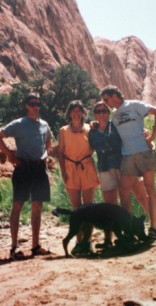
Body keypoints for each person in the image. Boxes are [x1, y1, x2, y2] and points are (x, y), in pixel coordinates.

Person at [100, 86, 156, 239]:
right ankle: (128, 229)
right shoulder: (114, 116)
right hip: (127, 156)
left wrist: (152, 137)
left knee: (150, 188)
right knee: (124, 191)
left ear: (114, 95)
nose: (106, 103)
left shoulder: (134, 105)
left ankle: (153, 228)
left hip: (144, 153)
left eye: (107, 99)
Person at [0, 93, 53, 259]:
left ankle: (35, 245)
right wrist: (9, 155)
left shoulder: (44, 125)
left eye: (38, 103)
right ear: (26, 106)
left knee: (37, 206)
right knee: (18, 204)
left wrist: (46, 154)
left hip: (40, 168)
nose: (36, 106)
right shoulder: (19, 124)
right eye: (32, 103)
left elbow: (49, 142)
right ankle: (14, 246)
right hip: (24, 167)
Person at [89, 101, 150, 247]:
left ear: (108, 112)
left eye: (104, 111)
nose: (101, 114)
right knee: (110, 206)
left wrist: (145, 131)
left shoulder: (115, 124)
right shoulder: (92, 131)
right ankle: (109, 239)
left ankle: (128, 233)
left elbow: (130, 130)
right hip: (104, 168)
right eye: (98, 111)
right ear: (95, 114)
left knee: (125, 201)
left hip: (121, 165)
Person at [58, 100, 100, 253]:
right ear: (69, 113)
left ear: (83, 113)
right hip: (71, 168)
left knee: (88, 208)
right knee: (76, 209)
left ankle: (87, 242)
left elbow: (97, 145)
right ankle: (79, 240)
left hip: (87, 167)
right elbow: (61, 153)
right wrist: (63, 171)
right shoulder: (63, 131)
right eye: (73, 111)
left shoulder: (90, 128)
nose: (76, 113)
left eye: (79, 111)